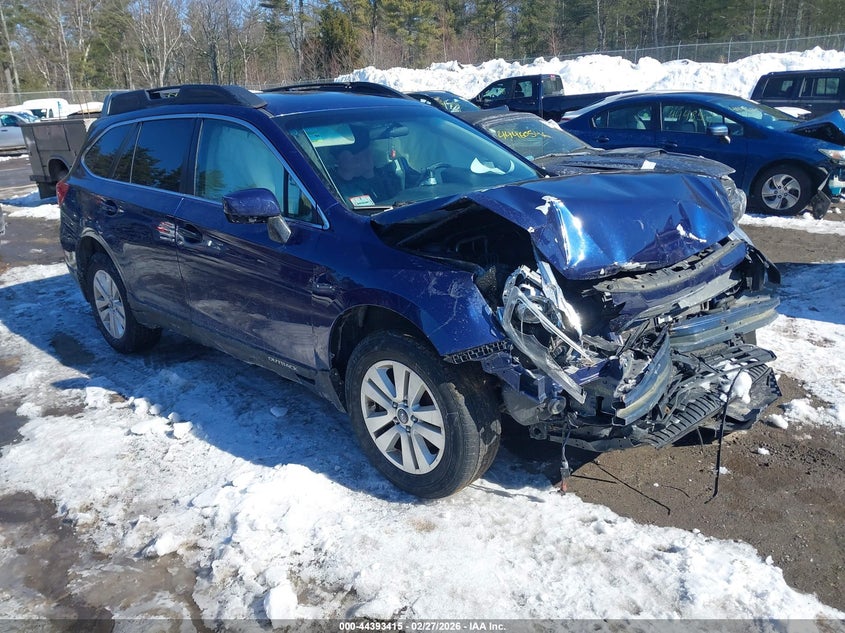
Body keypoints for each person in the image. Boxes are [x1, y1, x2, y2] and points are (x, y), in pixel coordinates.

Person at [330, 126, 401, 207]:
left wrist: (371, 175)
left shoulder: (386, 178)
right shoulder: (329, 187)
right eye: (355, 153)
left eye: (367, 151)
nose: (365, 157)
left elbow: (400, 201)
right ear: (338, 158)